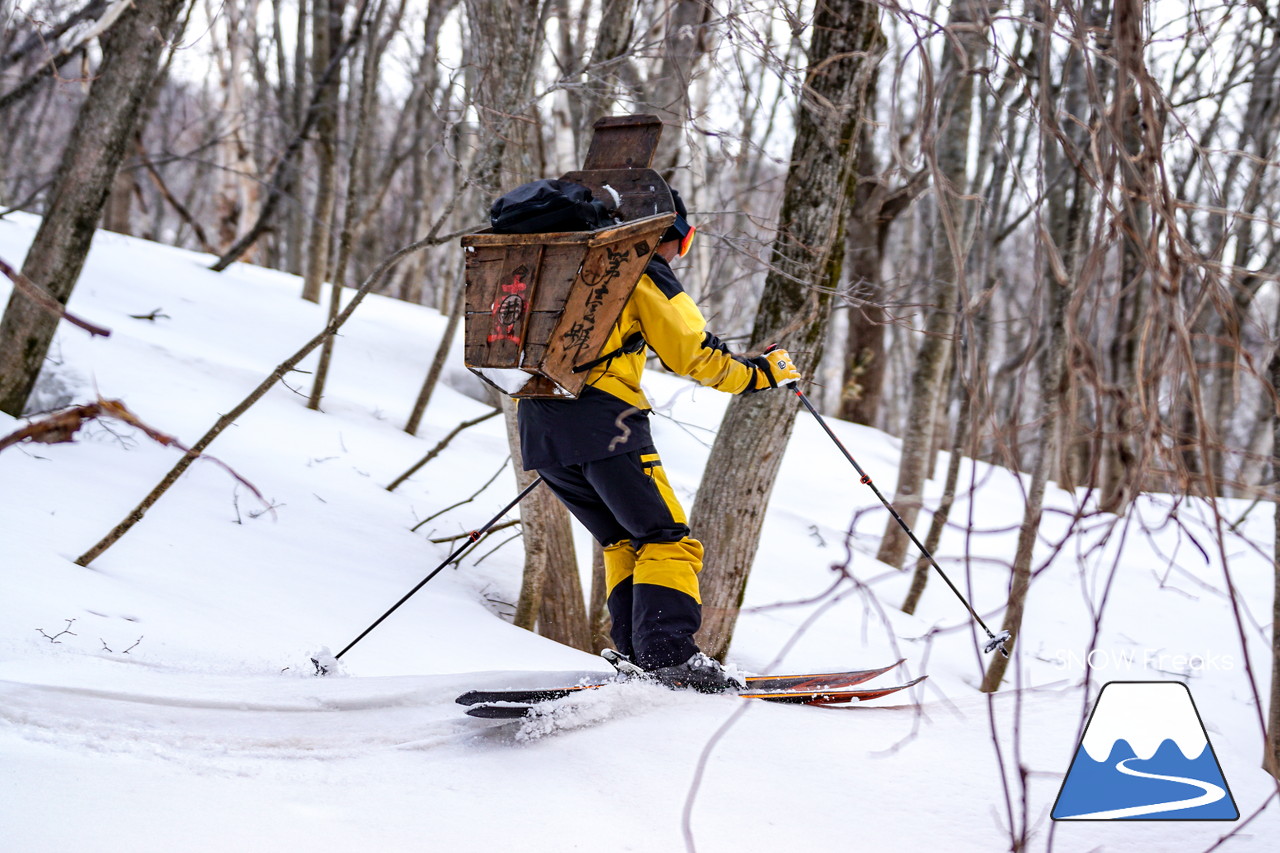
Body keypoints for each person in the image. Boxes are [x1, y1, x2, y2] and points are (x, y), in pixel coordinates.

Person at [517, 186, 801, 692]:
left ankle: (635, 652)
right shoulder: (638, 269)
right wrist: (762, 374)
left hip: (540, 427)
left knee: (624, 539)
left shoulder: (567, 264)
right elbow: (696, 354)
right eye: (683, 245)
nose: (679, 256)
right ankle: (670, 658)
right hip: (607, 423)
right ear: (671, 236)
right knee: (668, 540)